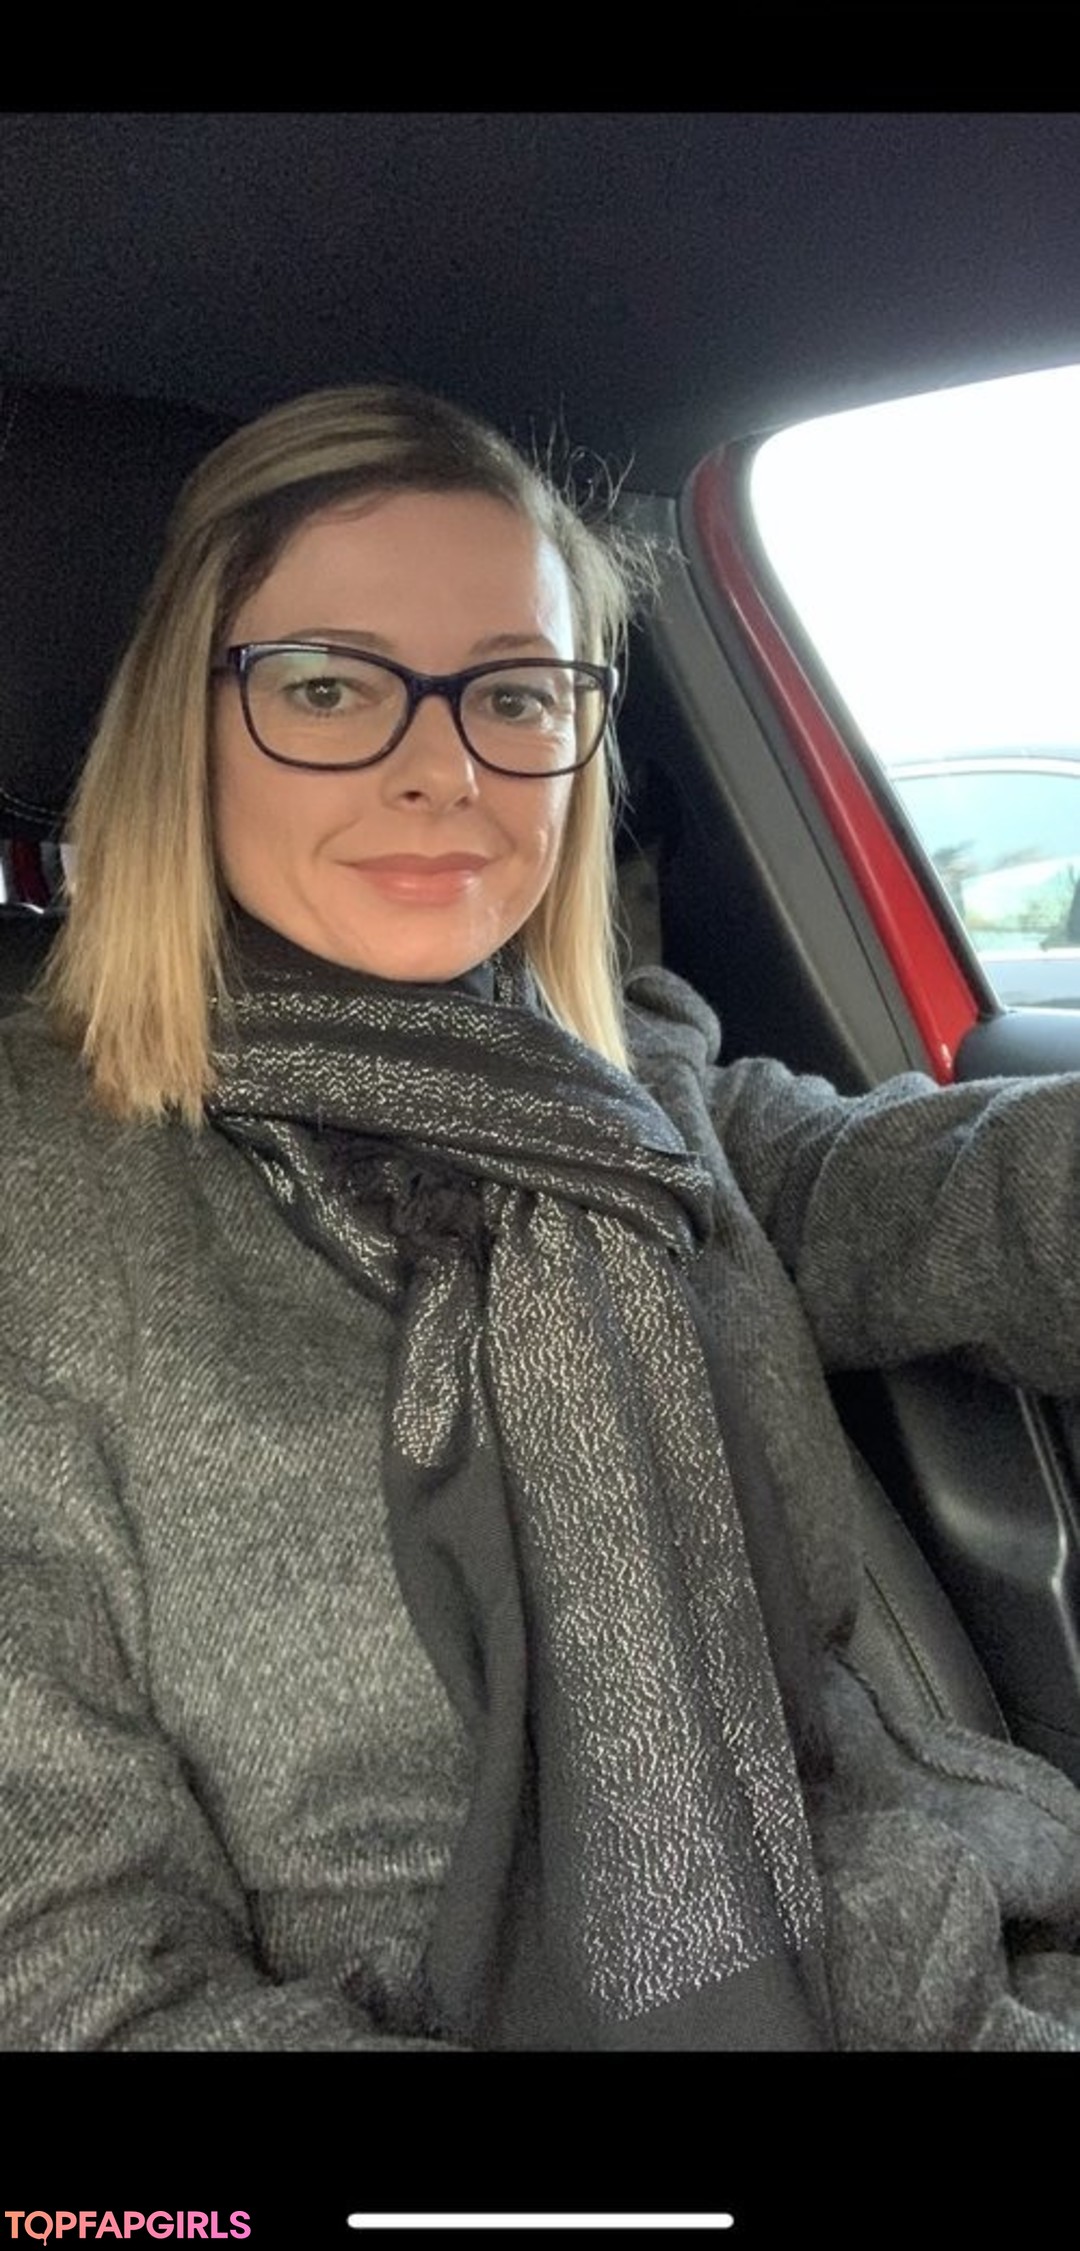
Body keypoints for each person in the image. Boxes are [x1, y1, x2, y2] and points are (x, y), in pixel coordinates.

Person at [4, 381, 1080, 2054]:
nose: (444, 771)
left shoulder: (631, 1092)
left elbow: (954, 1195)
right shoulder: (46, 1200)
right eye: (329, 686)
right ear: (183, 730)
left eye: (515, 694)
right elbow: (72, 1967)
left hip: (933, 1974)